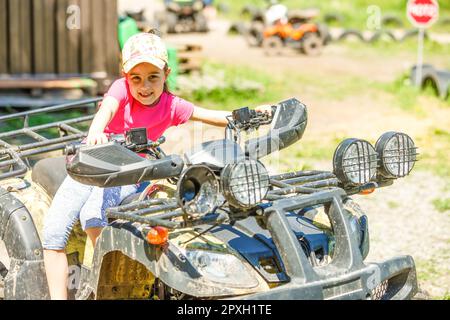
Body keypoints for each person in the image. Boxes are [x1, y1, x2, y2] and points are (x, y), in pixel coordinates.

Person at [42, 32, 271, 300]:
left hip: (131, 171)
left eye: (153, 77)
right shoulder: (121, 89)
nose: (144, 86)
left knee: (93, 215)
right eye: (136, 78)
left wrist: (253, 114)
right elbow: (107, 109)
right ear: (126, 76)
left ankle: (109, 285)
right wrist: (97, 131)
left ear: (166, 73)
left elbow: (212, 115)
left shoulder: (171, 105)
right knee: (53, 233)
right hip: (92, 162)